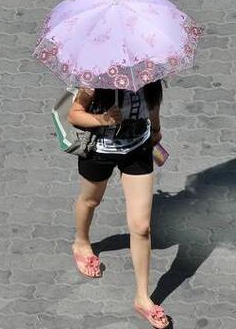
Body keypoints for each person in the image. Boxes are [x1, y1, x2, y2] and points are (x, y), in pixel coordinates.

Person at [66, 79, 169, 329]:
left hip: (138, 150)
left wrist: (155, 129)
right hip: (100, 150)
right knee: (91, 200)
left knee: (142, 226)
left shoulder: (148, 75)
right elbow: (74, 115)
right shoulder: (94, 79)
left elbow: (153, 106)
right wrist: (103, 120)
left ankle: (143, 298)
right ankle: (81, 243)